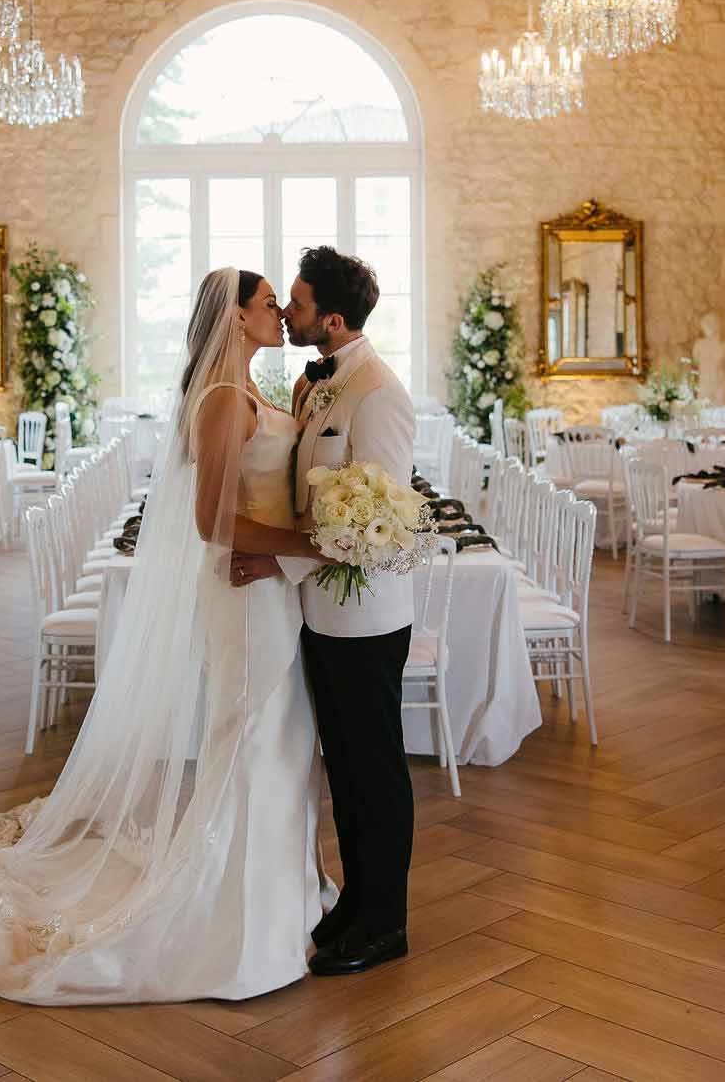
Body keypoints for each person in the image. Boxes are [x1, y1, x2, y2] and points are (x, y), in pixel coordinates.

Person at [0, 268, 331, 1003]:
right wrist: (315, 541)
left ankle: (279, 899)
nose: (280, 315)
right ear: (235, 318)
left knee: (279, 739)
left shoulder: (254, 391)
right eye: (266, 305)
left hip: (270, 589)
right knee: (254, 740)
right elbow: (212, 522)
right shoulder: (224, 402)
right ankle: (239, 926)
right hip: (249, 595)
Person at [235, 245, 418, 977]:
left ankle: (387, 921)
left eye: (300, 305)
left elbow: (379, 524)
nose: (289, 314)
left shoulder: (379, 394)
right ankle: (356, 903)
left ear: (333, 319)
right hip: (320, 613)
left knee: (376, 773)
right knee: (343, 768)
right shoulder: (319, 386)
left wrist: (277, 557)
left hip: (369, 618)